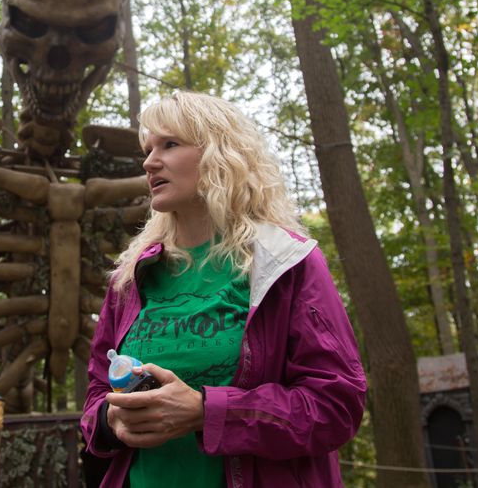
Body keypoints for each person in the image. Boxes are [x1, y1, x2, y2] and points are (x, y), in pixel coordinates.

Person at [80, 91, 367, 487]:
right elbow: (96, 393)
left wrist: (206, 412)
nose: (149, 162)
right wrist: (110, 419)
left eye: (170, 144)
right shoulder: (131, 277)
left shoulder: (285, 262)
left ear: (219, 154)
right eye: (148, 149)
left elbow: (335, 406)